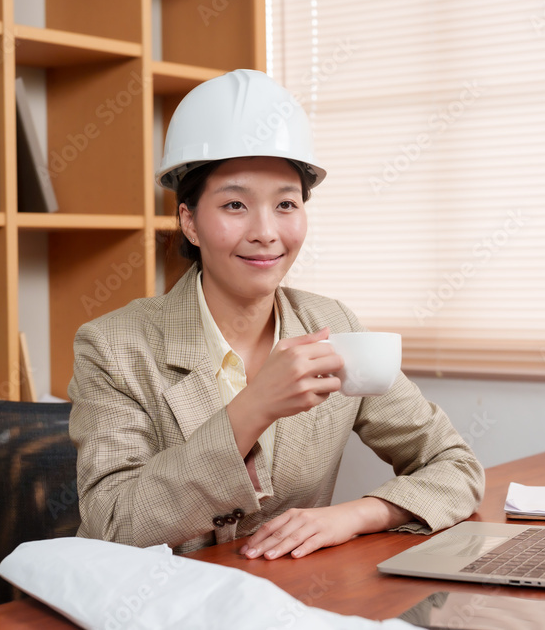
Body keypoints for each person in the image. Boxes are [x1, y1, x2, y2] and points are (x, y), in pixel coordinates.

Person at [68, 69, 484, 560]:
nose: (267, 232)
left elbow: (455, 465)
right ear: (190, 221)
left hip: (291, 600)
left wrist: (355, 515)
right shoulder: (114, 346)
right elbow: (113, 524)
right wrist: (253, 407)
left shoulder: (334, 328)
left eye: (285, 203)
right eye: (235, 204)